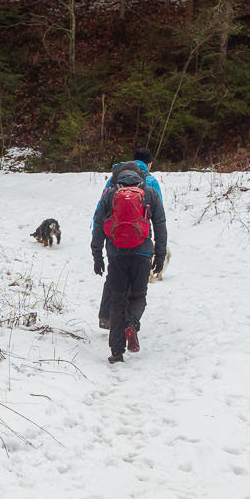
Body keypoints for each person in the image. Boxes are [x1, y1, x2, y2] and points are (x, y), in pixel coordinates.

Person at [90, 154, 168, 364]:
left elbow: (98, 225)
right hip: (142, 253)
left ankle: (116, 351)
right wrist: (159, 256)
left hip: (116, 254)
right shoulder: (149, 193)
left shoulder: (110, 194)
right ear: (140, 175)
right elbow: (160, 225)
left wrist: (97, 255)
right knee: (138, 296)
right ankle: (132, 323)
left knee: (117, 300)